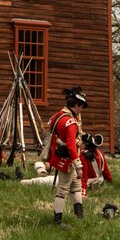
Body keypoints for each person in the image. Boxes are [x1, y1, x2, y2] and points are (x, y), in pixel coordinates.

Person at [45, 87, 88, 225]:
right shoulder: (70, 122)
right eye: (80, 107)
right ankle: (57, 220)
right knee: (62, 190)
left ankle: (79, 215)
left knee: (75, 186)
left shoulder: (58, 115)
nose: (80, 110)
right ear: (76, 106)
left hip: (61, 156)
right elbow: (71, 145)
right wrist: (79, 165)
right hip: (67, 160)